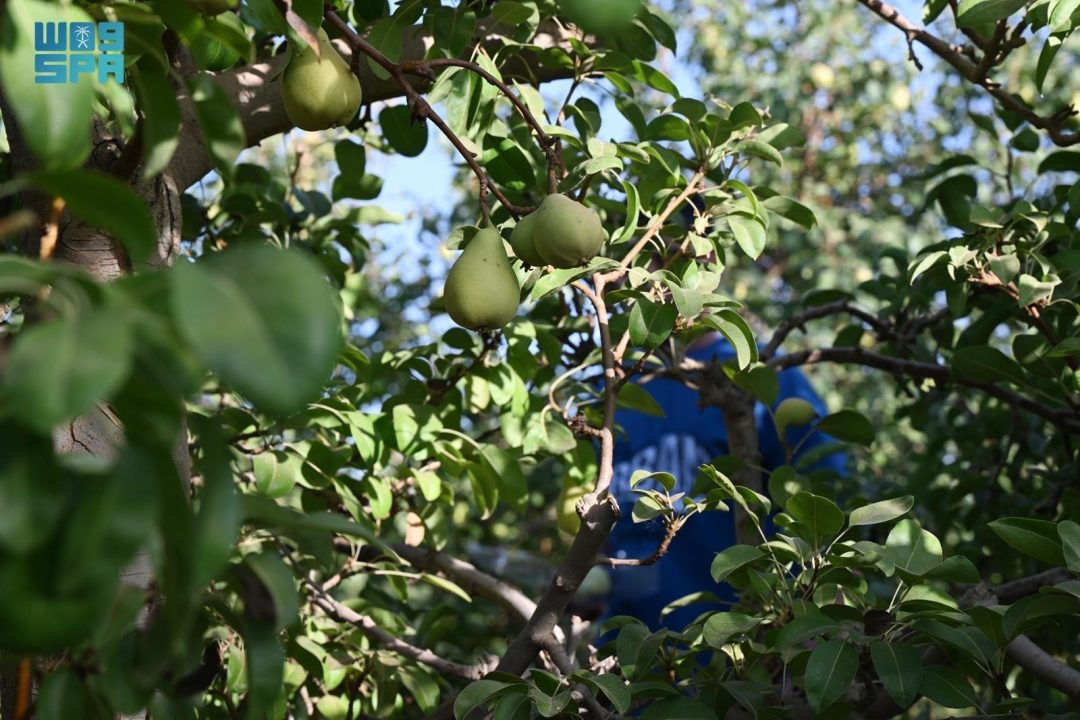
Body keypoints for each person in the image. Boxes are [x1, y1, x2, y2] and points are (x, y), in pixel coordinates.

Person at [600, 333, 846, 631]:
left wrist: (813, 628)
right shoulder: (614, 385)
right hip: (631, 650)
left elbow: (826, 507)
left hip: (746, 644)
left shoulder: (756, 371)